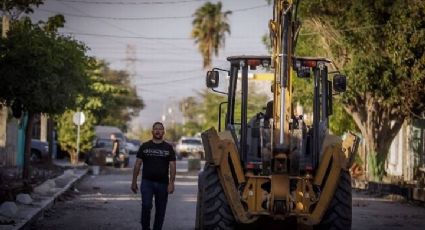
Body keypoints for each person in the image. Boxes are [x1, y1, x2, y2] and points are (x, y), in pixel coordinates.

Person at [131, 122, 176, 230]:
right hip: (147, 182)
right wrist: (134, 181)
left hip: (163, 184)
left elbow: (173, 166)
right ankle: (145, 228)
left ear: (163, 132)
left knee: (160, 210)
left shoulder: (168, 148)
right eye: (156, 129)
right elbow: (137, 164)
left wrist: (171, 183)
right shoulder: (145, 146)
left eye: (160, 129)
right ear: (152, 131)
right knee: (146, 206)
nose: (158, 131)